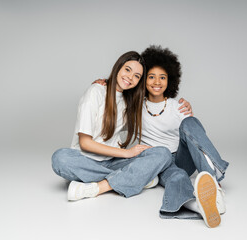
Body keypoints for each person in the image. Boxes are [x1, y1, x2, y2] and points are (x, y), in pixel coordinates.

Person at [51, 51, 172, 201]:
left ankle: (98, 187)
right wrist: (127, 154)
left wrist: (179, 105)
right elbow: (85, 143)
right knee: (60, 158)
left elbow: (155, 114)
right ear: (118, 67)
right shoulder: (96, 92)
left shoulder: (130, 102)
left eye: (137, 76)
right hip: (86, 160)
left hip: (114, 162)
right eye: (127, 70)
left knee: (163, 154)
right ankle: (135, 178)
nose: (130, 77)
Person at [140, 45, 229, 228]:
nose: (157, 81)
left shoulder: (177, 106)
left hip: (180, 158)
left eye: (162, 77)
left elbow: (195, 136)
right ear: (143, 79)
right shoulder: (134, 107)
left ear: (170, 80)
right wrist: (103, 83)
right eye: (151, 76)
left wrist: (190, 115)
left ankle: (214, 183)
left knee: (190, 122)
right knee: (178, 177)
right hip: (159, 163)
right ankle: (200, 206)